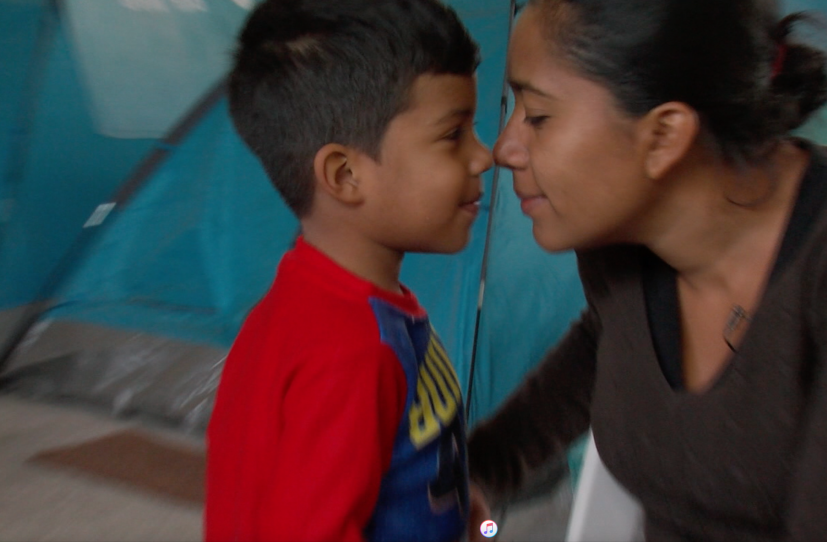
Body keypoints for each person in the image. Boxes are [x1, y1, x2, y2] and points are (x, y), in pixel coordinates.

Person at [466, 0, 827, 540]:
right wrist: (483, 468)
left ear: (663, 136)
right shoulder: (620, 248)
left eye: (538, 116)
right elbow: (605, 342)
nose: (504, 149)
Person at [204, 1, 494, 541]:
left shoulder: (322, 307)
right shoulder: (351, 352)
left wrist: (448, 500)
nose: (484, 157)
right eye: (454, 134)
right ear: (344, 175)